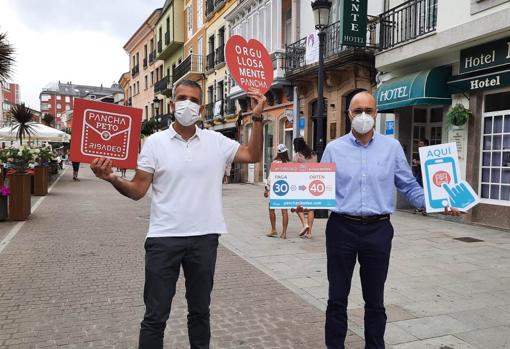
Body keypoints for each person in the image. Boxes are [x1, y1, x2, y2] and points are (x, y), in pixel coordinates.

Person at [90, 80, 265, 349]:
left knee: (200, 312)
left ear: (202, 108)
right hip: (164, 239)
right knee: (155, 316)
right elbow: (138, 190)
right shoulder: (154, 143)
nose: (188, 104)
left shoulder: (216, 142)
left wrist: (257, 118)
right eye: (182, 98)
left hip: (204, 238)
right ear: (172, 105)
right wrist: (112, 178)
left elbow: (252, 154)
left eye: (194, 100)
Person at [318, 91, 459, 349]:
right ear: (348, 113)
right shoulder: (333, 149)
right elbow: (319, 187)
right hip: (341, 228)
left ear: (376, 112)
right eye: (357, 110)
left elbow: (409, 185)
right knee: (337, 297)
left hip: (378, 230)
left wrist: (437, 203)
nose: (362, 116)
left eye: (368, 110)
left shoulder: (392, 147)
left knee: (375, 300)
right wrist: (301, 200)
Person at [293, 137, 317, 239]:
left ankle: (304, 224)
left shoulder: (298, 155)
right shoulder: (314, 154)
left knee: (297, 205)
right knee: (310, 207)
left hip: (301, 183)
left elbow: (293, 169)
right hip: (312, 182)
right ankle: (309, 232)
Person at [264, 144, 290, 239]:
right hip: (285, 189)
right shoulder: (288, 164)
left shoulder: (275, 163)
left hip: (276, 189)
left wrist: (267, 189)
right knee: (284, 211)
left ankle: (274, 229)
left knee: (271, 209)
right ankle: (284, 233)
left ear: (278, 153)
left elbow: (270, 177)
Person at [412, 139, 429, 215]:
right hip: (418, 174)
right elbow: (415, 162)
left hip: (426, 175)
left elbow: (426, 162)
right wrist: (416, 163)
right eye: (419, 144)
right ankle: (420, 207)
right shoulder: (418, 153)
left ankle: (425, 208)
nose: (419, 146)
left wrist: (418, 162)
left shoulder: (428, 153)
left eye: (421, 144)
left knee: (425, 191)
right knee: (419, 191)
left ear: (426, 145)